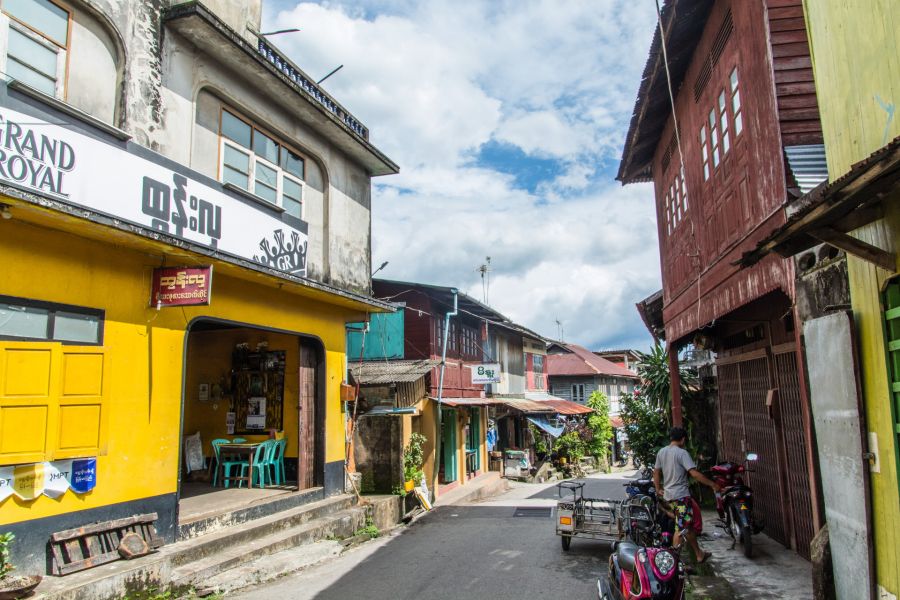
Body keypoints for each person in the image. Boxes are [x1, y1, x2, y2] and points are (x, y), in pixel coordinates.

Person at [653, 426, 721, 562]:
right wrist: (712, 484)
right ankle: (673, 562)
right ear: (683, 439)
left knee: (687, 526)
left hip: (669, 495)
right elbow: (694, 473)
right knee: (681, 528)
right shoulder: (682, 453)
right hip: (680, 496)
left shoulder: (662, 452)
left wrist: (658, 488)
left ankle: (699, 554)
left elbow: (656, 472)